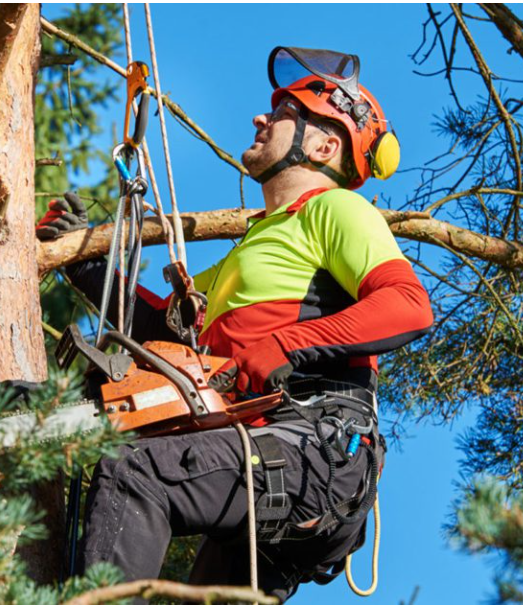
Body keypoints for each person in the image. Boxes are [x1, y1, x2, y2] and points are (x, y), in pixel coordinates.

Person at [36, 46, 433, 601]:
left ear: (324, 144)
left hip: (312, 448)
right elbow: (163, 333)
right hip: (270, 457)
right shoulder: (253, 248)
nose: (260, 118)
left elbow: (408, 304)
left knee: (133, 471)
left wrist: (290, 344)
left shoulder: (333, 210)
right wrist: (87, 266)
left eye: (282, 112)